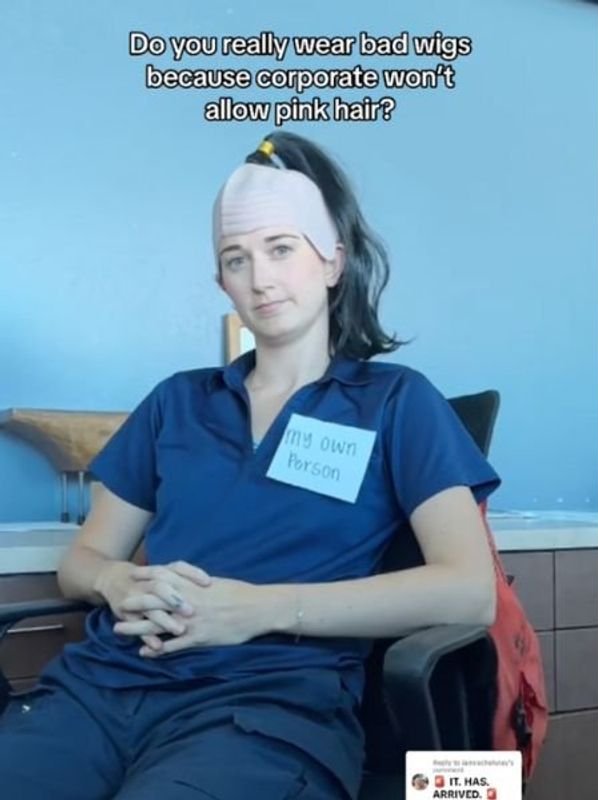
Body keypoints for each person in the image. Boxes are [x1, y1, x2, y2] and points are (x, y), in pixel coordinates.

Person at [0, 131, 499, 799]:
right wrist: (116, 580)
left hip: (265, 711)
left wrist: (257, 610)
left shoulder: (396, 403)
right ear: (221, 282)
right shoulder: (177, 402)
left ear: (332, 262)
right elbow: (83, 559)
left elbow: (470, 591)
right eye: (237, 259)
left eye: (281, 248)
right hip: (103, 690)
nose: (260, 278)